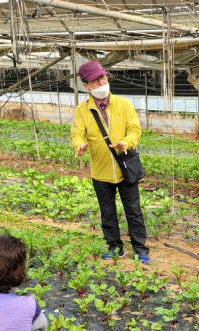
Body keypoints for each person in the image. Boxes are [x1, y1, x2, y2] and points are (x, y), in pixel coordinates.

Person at [70, 60, 150, 264]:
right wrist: (79, 145)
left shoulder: (123, 104)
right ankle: (115, 247)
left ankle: (140, 249)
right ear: (86, 86)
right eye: (95, 81)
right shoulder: (82, 110)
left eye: (103, 78)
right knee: (107, 213)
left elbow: (135, 129)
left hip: (125, 169)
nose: (101, 83)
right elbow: (77, 133)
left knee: (133, 211)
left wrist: (126, 142)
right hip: (100, 171)